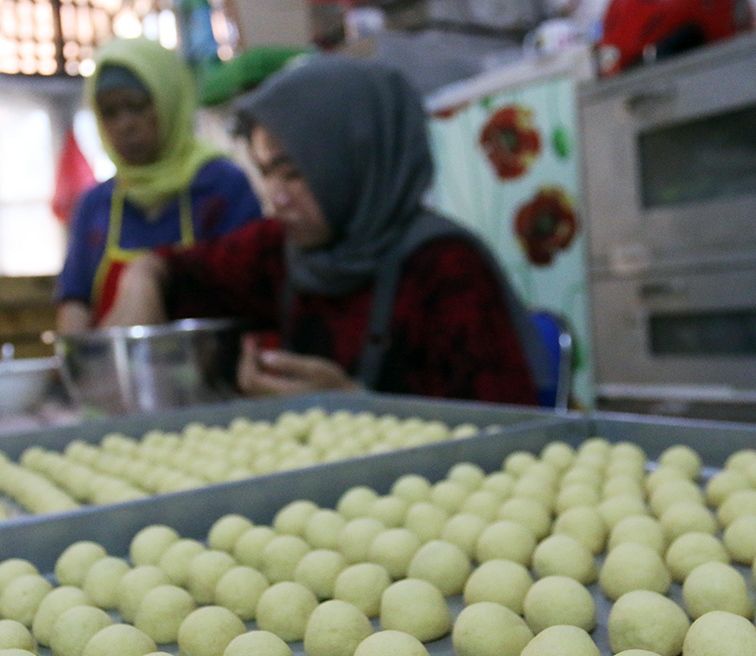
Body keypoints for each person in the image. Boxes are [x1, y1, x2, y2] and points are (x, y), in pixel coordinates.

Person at [102, 55, 552, 404]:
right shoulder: (283, 249)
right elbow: (183, 271)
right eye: (266, 174)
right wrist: (143, 276)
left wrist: (355, 407)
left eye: (294, 173)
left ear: (356, 160)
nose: (276, 198)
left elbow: (505, 432)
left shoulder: (445, 270)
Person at [55, 37, 262, 332]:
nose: (125, 125)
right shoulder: (95, 205)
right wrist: (79, 363)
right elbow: (75, 303)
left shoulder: (220, 186)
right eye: (109, 113)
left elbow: (250, 293)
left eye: (137, 107)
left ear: (168, 100)